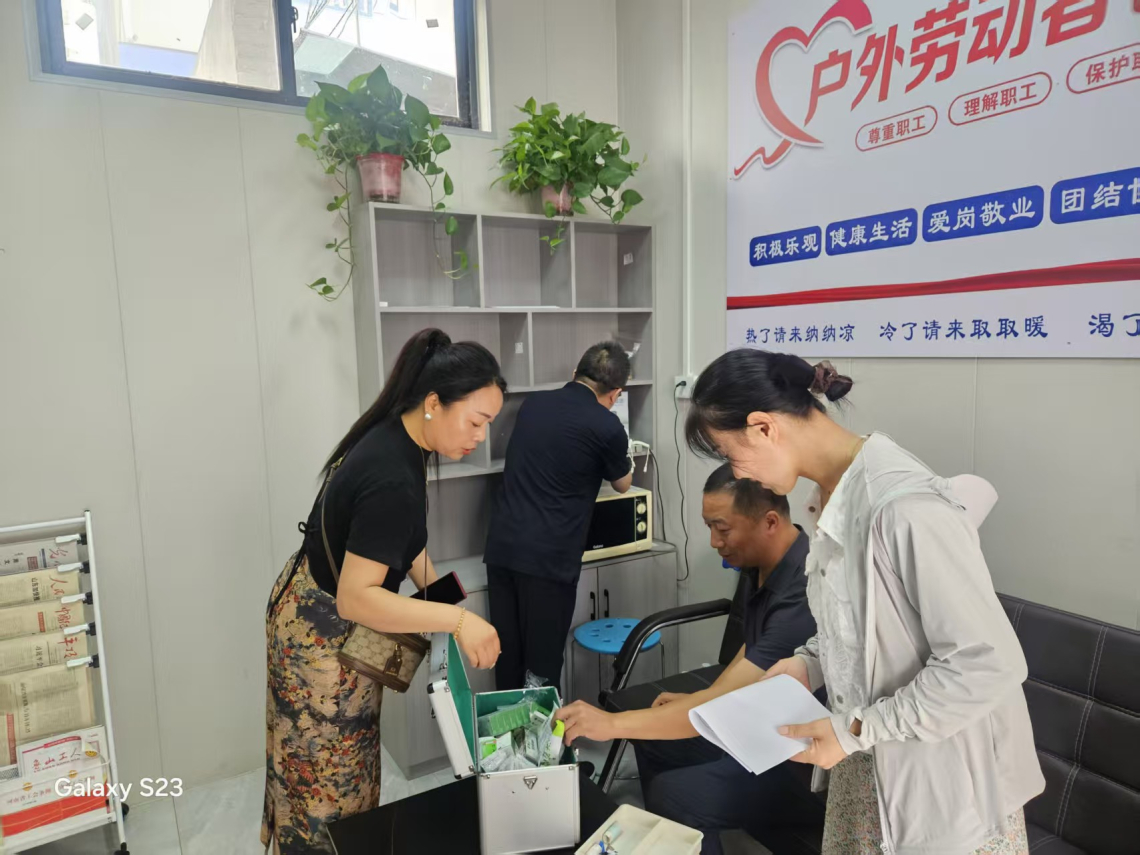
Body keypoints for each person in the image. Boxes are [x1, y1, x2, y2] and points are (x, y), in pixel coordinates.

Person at [682, 350, 1044, 855]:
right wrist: (808, 663)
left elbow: (987, 665)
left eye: (730, 455)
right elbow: (863, 622)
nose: (738, 475)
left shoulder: (904, 507)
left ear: (764, 427)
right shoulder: (829, 497)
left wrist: (855, 728)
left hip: (944, 785)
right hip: (868, 765)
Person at [262, 329, 505, 855]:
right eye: (476, 421)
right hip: (322, 647)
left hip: (306, 611)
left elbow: (403, 543)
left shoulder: (399, 438)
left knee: (329, 774)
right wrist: (460, 622)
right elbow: (356, 598)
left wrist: (441, 598)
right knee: (327, 794)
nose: (481, 436)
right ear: (434, 403)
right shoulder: (393, 474)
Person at [555, 464, 822, 855]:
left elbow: (727, 696)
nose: (714, 541)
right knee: (653, 742)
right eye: (709, 527)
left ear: (769, 522)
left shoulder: (806, 589)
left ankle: (685, 824)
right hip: (759, 726)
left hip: (798, 763)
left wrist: (610, 723)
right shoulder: (763, 563)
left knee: (674, 793)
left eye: (722, 528)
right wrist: (699, 699)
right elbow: (755, 649)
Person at [484, 341, 635, 692]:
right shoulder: (607, 425)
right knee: (542, 666)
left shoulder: (533, 403)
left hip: (503, 548)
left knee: (507, 656)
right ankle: (542, 731)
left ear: (575, 374)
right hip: (549, 561)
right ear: (616, 393)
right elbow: (623, 484)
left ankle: (505, 728)